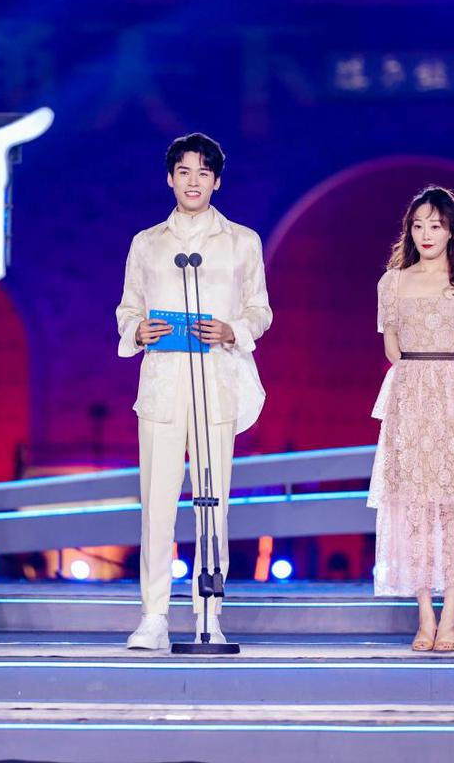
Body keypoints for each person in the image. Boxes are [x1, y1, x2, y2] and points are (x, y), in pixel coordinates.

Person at [116, 132, 272, 649]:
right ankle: (153, 617)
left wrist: (232, 330)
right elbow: (127, 308)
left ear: (217, 181)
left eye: (203, 173)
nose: (193, 181)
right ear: (170, 178)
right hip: (162, 384)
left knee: (213, 504)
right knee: (157, 506)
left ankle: (210, 612)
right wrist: (138, 329)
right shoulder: (147, 243)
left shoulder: (242, 241)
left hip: (215, 382)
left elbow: (260, 309)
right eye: (184, 171)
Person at [368, 186, 454, 653]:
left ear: (451, 231)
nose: (426, 234)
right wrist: (418, 385)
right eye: (418, 225)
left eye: (436, 225)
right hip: (409, 398)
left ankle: (451, 616)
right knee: (414, 509)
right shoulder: (392, 282)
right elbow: (392, 346)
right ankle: (424, 616)